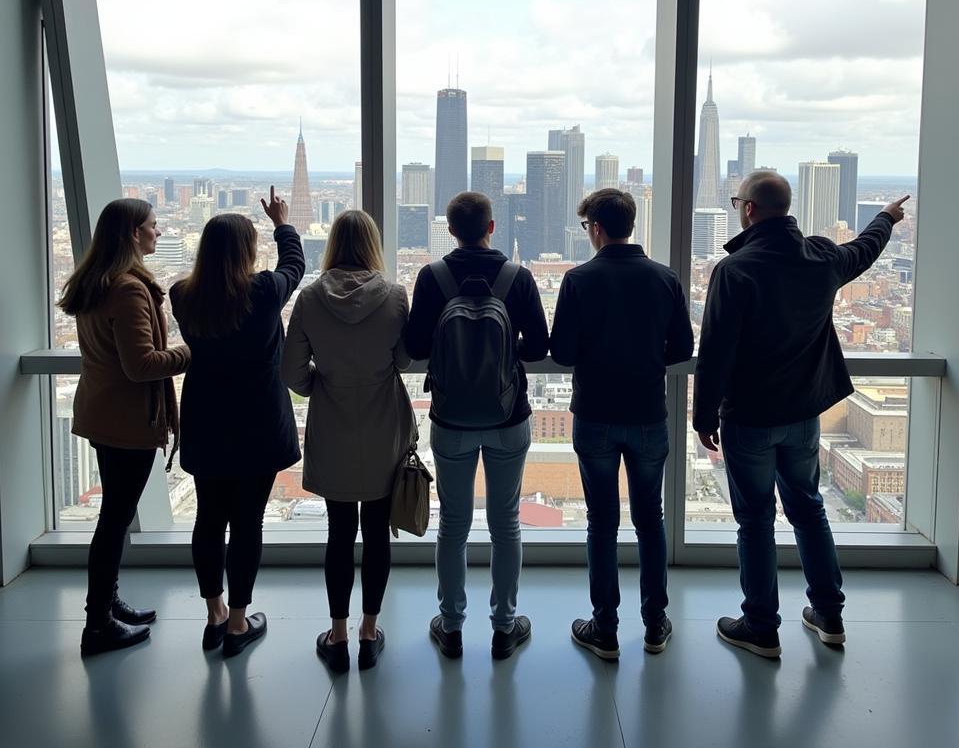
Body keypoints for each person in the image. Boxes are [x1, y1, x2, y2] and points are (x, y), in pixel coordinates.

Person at [693, 170, 908, 658]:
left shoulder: (736, 270)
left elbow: (716, 352)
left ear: (747, 209)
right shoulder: (820, 256)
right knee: (809, 510)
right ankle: (829, 616)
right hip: (803, 413)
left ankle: (761, 626)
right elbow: (864, 249)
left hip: (749, 415)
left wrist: (704, 415)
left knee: (755, 521)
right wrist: (886, 218)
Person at [549, 188, 694, 660]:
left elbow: (564, 353)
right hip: (649, 414)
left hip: (595, 415)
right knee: (650, 520)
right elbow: (680, 351)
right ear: (631, 223)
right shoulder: (665, 279)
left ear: (595, 228)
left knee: (601, 523)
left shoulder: (578, 281)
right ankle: (655, 624)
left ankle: (605, 629)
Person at [404, 191, 549, 661]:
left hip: (450, 417)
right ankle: (504, 627)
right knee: (506, 523)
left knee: (453, 524)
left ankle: (451, 626)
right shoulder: (517, 278)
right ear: (492, 227)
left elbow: (415, 345)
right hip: (509, 416)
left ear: (449, 230)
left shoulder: (432, 277)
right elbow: (537, 347)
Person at [170, 187, 304, 658]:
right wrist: (282, 223)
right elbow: (296, 266)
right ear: (248, 251)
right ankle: (239, 623)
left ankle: (213, 613)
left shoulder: (181, 295)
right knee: (247, 522)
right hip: (258, 423)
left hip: (207, 420)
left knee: (209, 519)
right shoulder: (264, 292)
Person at [282, 209, 414, 673]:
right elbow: (403, 360)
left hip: (333, 423)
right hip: (383, 426)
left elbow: (292, 373)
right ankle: (368, 630)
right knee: (377, 533)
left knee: (339, 534)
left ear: (333, 244)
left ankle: (336, 634)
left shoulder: (310, 299)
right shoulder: (396, 296)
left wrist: (325, 381)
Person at [59, 199, 191, 657]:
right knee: (114, 521)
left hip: (104, 413)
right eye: (154, 226)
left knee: (113, 519)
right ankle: (99, 623)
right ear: (134, 234)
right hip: (127, 419)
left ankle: (106, 607)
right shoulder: (129, 289)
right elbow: (142, 365)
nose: (160, 231)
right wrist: (191, 351)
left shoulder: (96, 282)